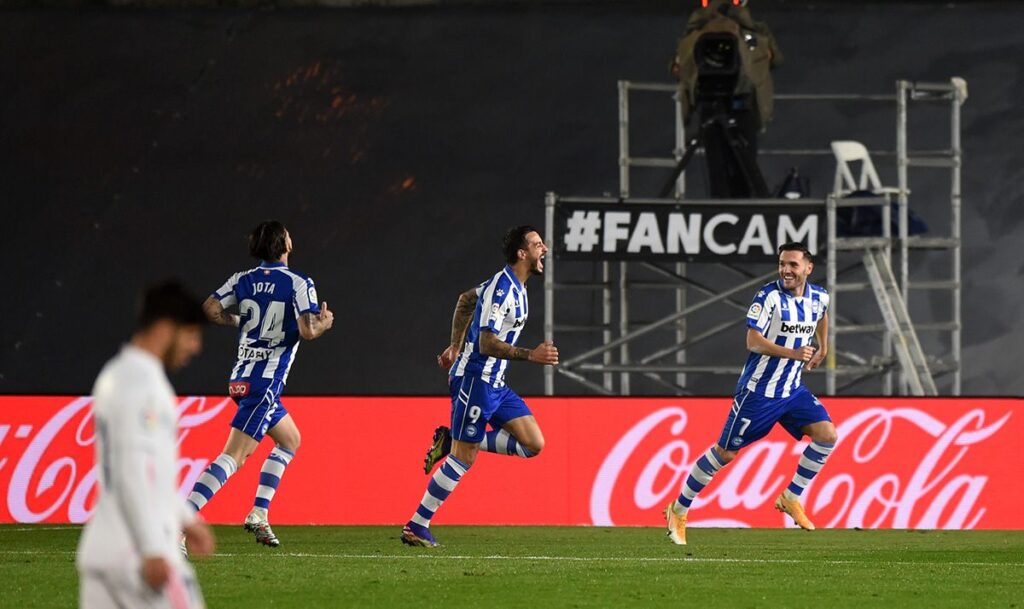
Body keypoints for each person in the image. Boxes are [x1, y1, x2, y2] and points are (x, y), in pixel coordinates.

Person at [664, 241, 838, 545]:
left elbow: (822, 315)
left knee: (827, 435)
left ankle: (790, 497)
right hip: (758, 392)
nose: (786, 270)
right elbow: (753, 341)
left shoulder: (819, 296)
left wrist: (823, 346)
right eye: (782, 263)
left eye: (793, 265)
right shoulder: (768, 296)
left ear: (808, 268)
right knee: (725, 453)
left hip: (792, 389)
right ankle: (678, 509)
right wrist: (793, 353)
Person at [401, 225, 559, 547]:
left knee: (533, 443)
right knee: (464, 459)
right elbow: (486, 343)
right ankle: (418, 524)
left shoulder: (515, 287)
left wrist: (454, 345)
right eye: (537, 244)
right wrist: (531, 356)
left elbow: (465, 300)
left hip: (496, 384)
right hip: (476, 380)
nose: (543, 249)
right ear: (522, 253)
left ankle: (452, 441)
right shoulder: (502, 288)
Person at [185, 220, 333, 548]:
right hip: (265, 384)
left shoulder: (243, 280)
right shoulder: (299, 283)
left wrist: (239, 320)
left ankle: (259, 513)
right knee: (233, 458)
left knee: (290, 441)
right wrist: (324, 324)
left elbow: (208, 309)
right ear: (285, 245)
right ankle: (180, 522)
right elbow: (308, 331)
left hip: (241, 379)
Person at [77, 280, 215, 609]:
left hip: (103, 551)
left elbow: (149, 473)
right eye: (192, 335)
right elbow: (133, 471)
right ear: (166, 329)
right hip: (138, 554)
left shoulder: (115, 374)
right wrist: (153, 546)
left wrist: (186, 519)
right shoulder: (144, 385)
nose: (195, 348)